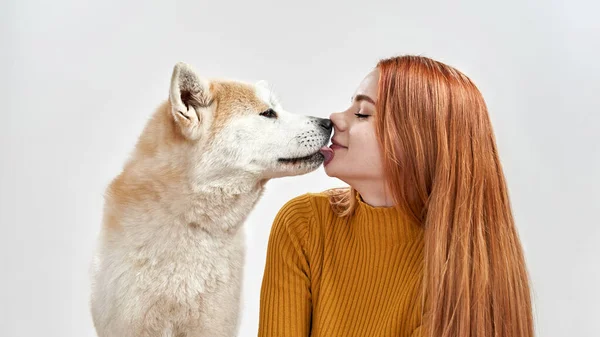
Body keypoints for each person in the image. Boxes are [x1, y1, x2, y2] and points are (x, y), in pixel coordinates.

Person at [257, 55, 534, 337]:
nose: (336, 118)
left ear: (418, 142)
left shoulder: (463, 271)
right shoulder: (303, 225)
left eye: (363, 113)